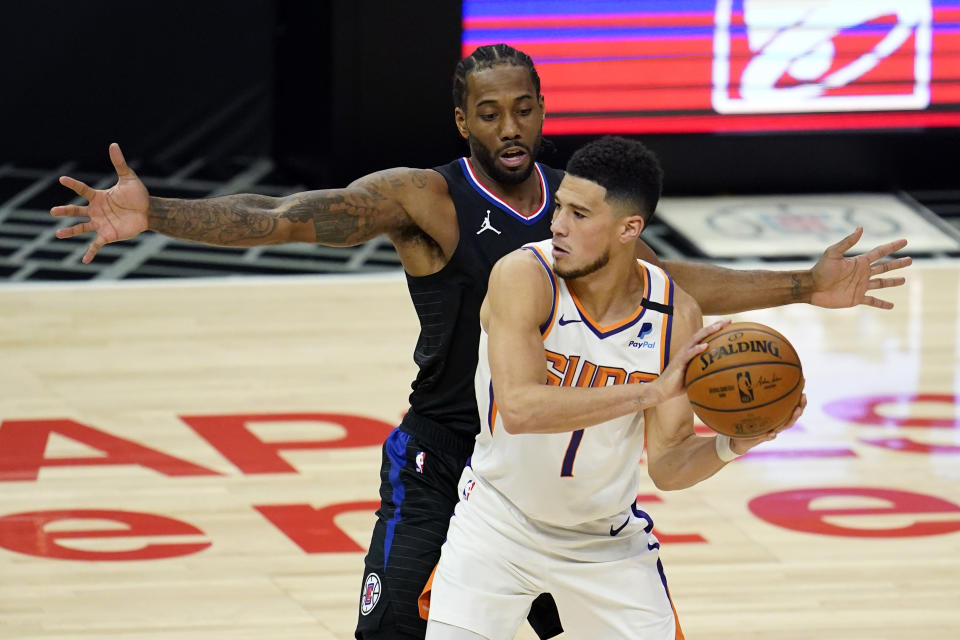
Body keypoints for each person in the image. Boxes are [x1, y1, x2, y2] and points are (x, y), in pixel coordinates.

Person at [50, 44, 907, 640]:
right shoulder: (426, 198)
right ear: (461, 121)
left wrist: (801, 287)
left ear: (542, 112)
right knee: (390, 628)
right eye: (489, 113)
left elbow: (672, 282)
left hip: (565, 466)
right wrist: (156, 214)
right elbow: (289, 218)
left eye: (524, 109)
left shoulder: (581, 208)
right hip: (453, 448)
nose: (509, 127)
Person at [425, 136, 805, 639]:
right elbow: (519, 407)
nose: (557, 225)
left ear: (630, 228)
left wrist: (733, 442)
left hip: (603, 539)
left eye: (580, 215)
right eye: (560, 208)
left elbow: (669, 466)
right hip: (497, 522)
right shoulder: (524, 275)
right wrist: (648, 392)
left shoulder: (676, 314)